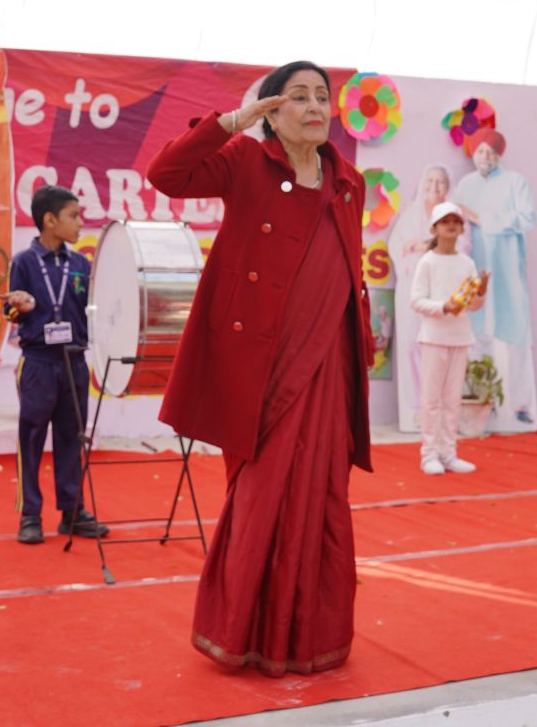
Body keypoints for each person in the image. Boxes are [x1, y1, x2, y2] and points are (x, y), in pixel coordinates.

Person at [146, 60, 374, 677]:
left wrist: (360, 340)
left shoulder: (347, 181)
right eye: (296, 96)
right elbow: (167, 174)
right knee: (259, 494)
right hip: (260, 365)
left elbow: (348, 270)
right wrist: (233, 122)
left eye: (321, 96)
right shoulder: (246, 160)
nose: (314, 106)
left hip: (327, 366)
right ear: (270, 111)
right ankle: (241, 630)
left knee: (322, 496)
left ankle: (309, 634)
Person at [5, 185, 108, 544]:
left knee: (71, 436)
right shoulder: (23, 262)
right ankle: (30, 514)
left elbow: (94, 308)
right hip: (38, 362)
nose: (81, 223)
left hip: (74, 361)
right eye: (73, 215)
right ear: (50, 220)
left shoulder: (81, 265)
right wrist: (17, 305)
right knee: (31, 437)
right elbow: (10, 313)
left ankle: (72, 510)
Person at [452, 128, 537, 430]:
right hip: (474, 267)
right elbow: (455, 223)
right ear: (473, 154)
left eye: (490, 152)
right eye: (480, 152)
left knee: (513, 333)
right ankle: (478, 406)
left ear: (499, 155)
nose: (485, 157)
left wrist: (482, 218)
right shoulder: (464, 185)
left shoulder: (516, 183)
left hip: (507, 270)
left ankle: (519, 407)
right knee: (475, 333)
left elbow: (528, 218)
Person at [410, 202, 488, 474]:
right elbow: (417, 300)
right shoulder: (427, 262)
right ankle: (428, 454)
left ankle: (448, 453)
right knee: (431, 399)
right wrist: (443, 307)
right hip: (433, 337)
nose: (451, 226)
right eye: (445, 222)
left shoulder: (467, 262)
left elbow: (473, 304)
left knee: (452, 399)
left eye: (456, 221)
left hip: (460, 337)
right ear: (435, 228)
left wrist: (481, 292)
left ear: (461, 228)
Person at [388, 165, 452, 430]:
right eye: (430, 181)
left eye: (440, 182)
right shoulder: (410, 213)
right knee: (408, 344)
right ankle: (412, 411)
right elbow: (396, 245)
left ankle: (434, 411)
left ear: (447, 187)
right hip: (409, 287)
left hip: (437, 292)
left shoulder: (450, 216)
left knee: (434, 349)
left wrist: (421, 245)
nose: (434, 187)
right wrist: (418, 247)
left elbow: (452, 245)